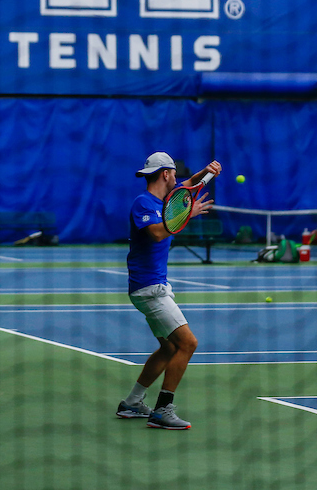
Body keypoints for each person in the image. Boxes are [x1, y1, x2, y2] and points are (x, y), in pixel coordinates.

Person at [116, 152, 219, 430]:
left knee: (169, 348)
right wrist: (188, 213)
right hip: (149, 289)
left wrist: (206, 172)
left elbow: (188, 184)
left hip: (151, 287)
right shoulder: (144, 202)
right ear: (165, 174)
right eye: (174, 173)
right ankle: (162, 410)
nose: (176, 177)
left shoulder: (165, 200)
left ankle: (132, 403)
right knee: (188, 344)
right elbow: (157, 233)